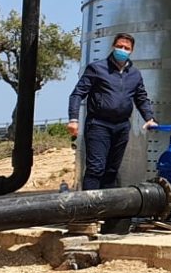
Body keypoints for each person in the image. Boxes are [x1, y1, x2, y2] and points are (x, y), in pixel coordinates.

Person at [67, 33, 157, 190]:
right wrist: (73, 119)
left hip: (122, 126)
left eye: (126, 48)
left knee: (112, 170)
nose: (122, 50)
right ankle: (89, 208)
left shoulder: (135, 74)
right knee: (96, 168)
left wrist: (149, 118)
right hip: (98, 125)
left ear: (132, 51)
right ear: (113, 47)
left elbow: (141, 98)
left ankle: (107, 210)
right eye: (119, 46)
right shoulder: (97, 68)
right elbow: (77, 93)